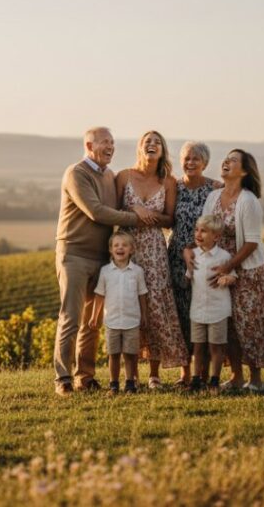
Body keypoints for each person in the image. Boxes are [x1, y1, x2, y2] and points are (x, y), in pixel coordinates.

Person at [54, 126, 155, 396]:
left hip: (100, 256)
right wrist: (138, 218)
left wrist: (133, 208)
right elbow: (97, 212)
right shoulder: (77, 173)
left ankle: (84, 377)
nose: (110, 147)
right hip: (74, 254)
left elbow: (117, 209)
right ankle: (62, 378)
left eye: (112, 142)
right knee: (71, 318)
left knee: (92, 321)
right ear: (89, 146)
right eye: (104, 142)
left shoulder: (110, 176)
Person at [190, 149, 264, 392]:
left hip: (247, 269)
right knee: (229, 323)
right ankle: (235, 377)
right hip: (218, 265)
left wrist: (228, 265)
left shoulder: (249, 201)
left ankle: (255, 379)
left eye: (233, 160)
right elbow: (204, 230)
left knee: (249, 322)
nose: (226, 162)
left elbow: (252, 242)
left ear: (244, 171)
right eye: (226, 159)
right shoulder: (213, 197)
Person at [116, 130, 188, 389]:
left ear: (162, 151)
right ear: (140, 148)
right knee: (131, 307)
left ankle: (154, 374)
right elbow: (114, 211)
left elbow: (170, 220)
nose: (152, 144)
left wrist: (151, 216)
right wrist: (136, 209)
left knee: (156, 307)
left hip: (155, 249)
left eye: (157, 142)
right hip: (128, 249)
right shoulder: (124, 176)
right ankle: (131, 375)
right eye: (148, 141)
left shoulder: (168, 181)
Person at [166, 141, 223, 386]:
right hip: (177, 256)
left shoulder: (214, 188)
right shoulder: (174, 187)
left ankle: (203, 373)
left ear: (205, 163)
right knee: (181, 314)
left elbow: (217, 223)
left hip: (204, 258)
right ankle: (185, 373)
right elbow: (168, 219)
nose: (190, 163)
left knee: (202, 313)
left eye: (195, 159)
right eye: (187, 159)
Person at [89, 231, 149, 395]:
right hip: (112, 321)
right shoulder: (106, 271)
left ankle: (130, 384)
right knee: (113, 355)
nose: (120, 248)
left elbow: (142, 294)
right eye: (116, 245)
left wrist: (144, 315)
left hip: (132, 321)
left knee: (130, 355)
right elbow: (99, 295)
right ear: (110, 250)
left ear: (132, 249)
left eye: (124, 245)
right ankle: (113, 385)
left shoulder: (137, 271)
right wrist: (95, 316)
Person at [187, 215, 236, 392]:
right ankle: (195, 380)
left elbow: (234, 277)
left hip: (218, 310)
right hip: (197, 310)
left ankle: (214, 380)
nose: (198, 234)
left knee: (216, 346)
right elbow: (189, 277)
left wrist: (227, 279)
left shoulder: (224, 256)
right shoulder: (194, 256)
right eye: (197, 230)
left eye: (203, 231)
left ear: (216, 237)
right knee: (198, 346)